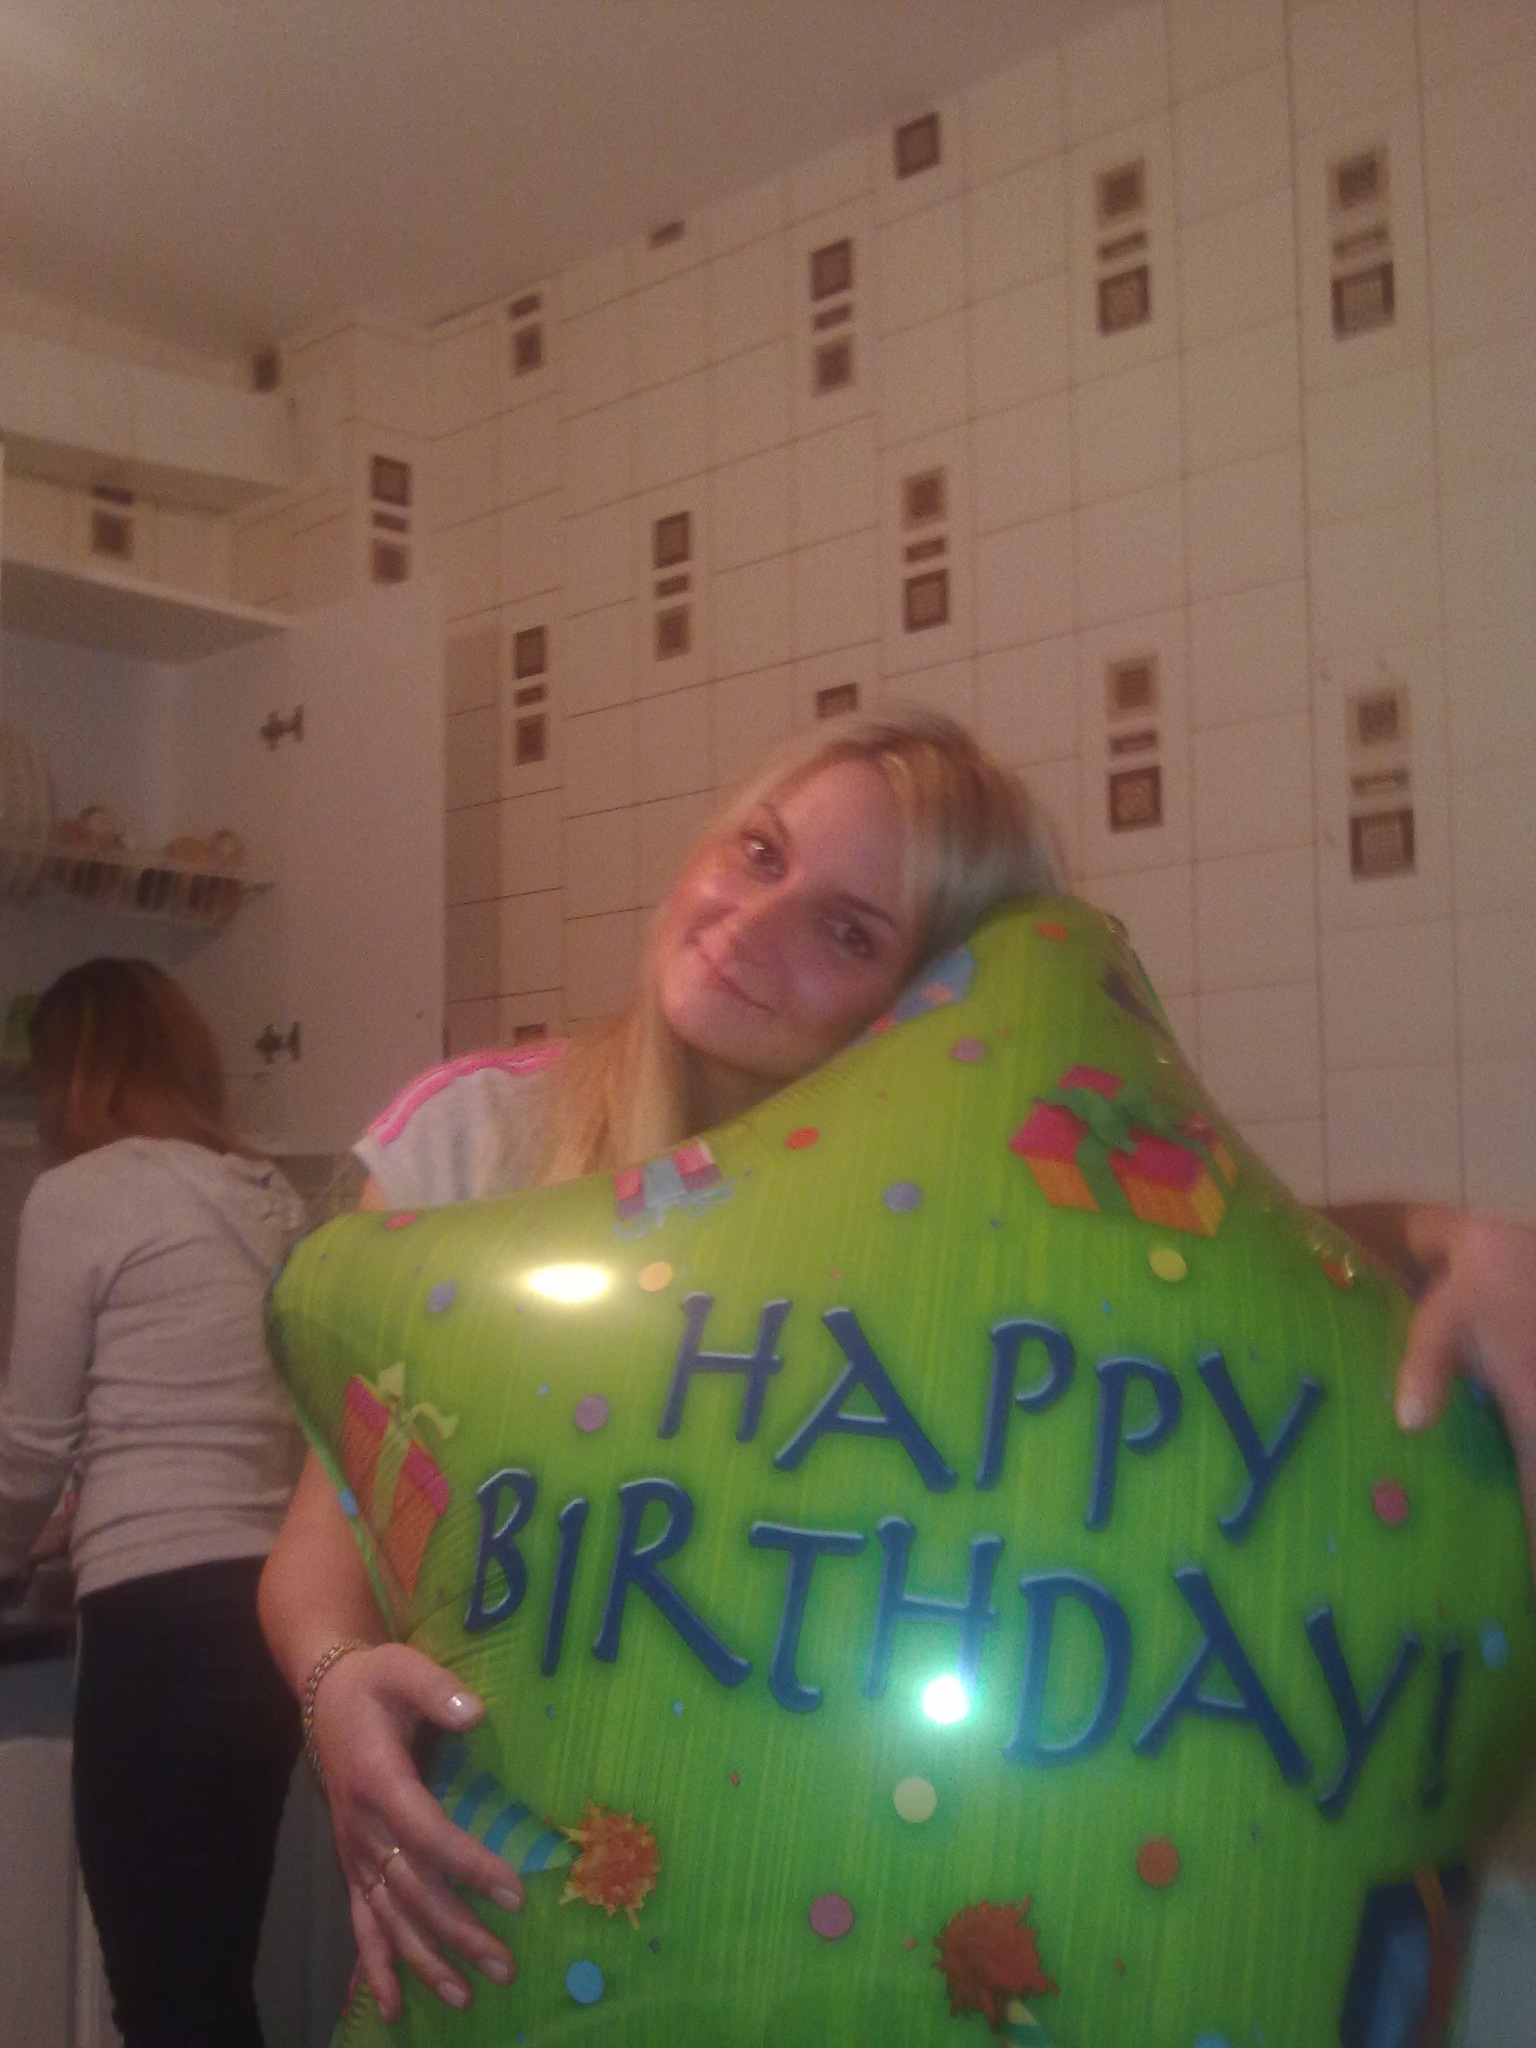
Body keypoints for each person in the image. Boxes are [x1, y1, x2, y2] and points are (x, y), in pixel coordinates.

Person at [257, 709, 1536, 2023]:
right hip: (459, 1874)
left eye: (848, 931)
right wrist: (333, 1680)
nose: (752, 922)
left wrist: (1447, 1237)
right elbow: (321, 1538)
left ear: (933, 996)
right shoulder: (478, 1141)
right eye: (758, 852)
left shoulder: (951, 1230)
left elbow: (1206, 1261)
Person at [0, 958, 308, 2048]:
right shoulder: (270, 1195)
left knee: (169, 2001)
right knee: (210, 1982)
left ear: (72, 1073)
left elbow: (28, 1444)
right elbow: (216, 1408)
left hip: (158, 1627)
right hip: (271, 1612)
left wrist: (8, 1546)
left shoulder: (81, 1192)